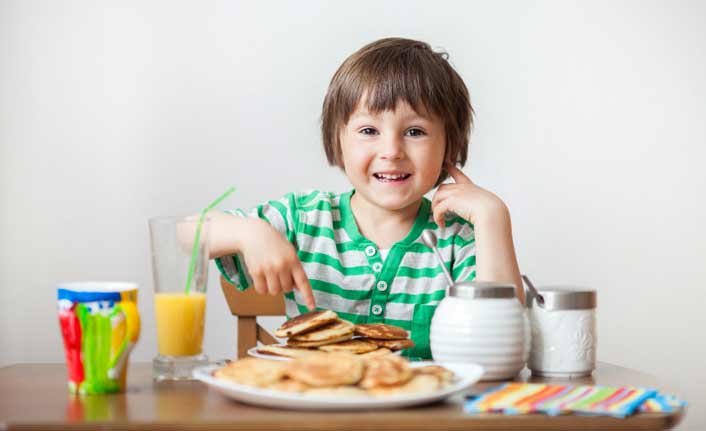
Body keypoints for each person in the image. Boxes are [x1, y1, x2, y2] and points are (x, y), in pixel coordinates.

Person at [206, 37, 522, 359]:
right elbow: (183, 235)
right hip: (316, 401)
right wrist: (251, 233)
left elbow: (502, 346)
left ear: (448, 146)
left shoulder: (458, 238)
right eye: (369, 131)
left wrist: (493, 218)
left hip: (426, 405)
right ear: (337, 139)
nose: (391, 152)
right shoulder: (303, 219)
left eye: (414, 131)